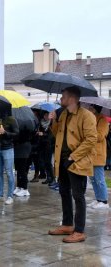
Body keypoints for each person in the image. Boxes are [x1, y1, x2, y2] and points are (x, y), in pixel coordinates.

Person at [48, 86, 97, 243]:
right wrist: (54, 119)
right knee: (64, 191)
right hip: (63, 160)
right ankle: (68, 224)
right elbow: (57, 135)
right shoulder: (64, 115)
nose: (61, 99)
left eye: (63, 96)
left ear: (71, 98)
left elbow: (91, 140)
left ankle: (79, 231)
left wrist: (73, 157)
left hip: (78, 162)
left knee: (78, 195)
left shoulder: (86, 116)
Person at [0, 116, 19, 205]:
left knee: (9, 173)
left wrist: (5, 133)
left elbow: (17, 134)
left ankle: (10, 196)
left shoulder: (12, 119)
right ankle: (0, 194)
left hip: (8, 149)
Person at [86, 104, 109, 209]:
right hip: (90, 153)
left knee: (99, 179)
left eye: (91, 108)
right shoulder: (90, 119)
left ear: (96, 109)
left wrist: (90, 131)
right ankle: (98, 199)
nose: (89, 109)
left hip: (98, 154)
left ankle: (104, 201)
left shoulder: (102, 120)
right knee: (93, 179)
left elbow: (100, 136)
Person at [13, 126, 33, 197]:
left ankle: (25, 189)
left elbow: (22, 137)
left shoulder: (26, 127)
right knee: (18, 169)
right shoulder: (18, 125)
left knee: (22, 169)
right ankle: (19, 186)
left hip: (23, 149)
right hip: (19, 148)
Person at [37, 111, 55, 185]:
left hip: (49, 146)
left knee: (48, 162)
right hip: (42, 145)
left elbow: (51, 136)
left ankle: (52, 178)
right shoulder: (41, 123)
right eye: (45, 115)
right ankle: (48, 178)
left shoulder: (51, 124)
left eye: (47, 115)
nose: (46, 116)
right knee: (44, 162)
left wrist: (43, 134)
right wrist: (38, 132)